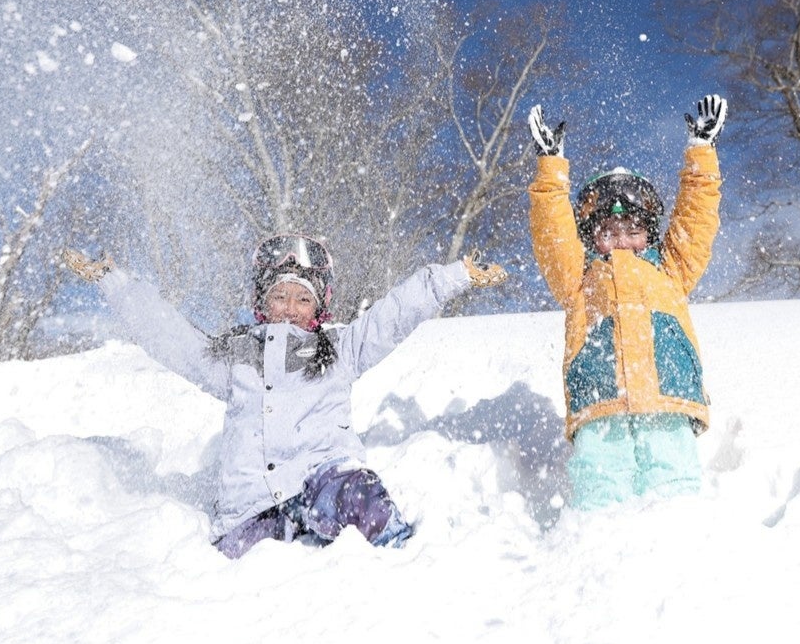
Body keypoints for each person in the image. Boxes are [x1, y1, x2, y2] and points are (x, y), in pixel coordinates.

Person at [63, 234, 507, 557]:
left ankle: (403, 565)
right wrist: (114, 282)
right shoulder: (233, 360)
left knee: (363, 495)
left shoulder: (340, 352)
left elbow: (393, 315)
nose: (290, 308)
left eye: (302, 299)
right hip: (249, 505)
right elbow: (171, 337)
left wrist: (455, 276)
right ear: (261, 303)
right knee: (249, 574)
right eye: (280, 296)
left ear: (320, 308)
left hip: (321, 480)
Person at [526, 95, 727, 510]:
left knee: (674, 481)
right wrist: (550, 167)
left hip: (667, 393)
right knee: (601, 484)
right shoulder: (580, 277)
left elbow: (695, 221)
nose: (622, 239)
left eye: (633, 228)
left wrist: (701, 152)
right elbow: (553, 237)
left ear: (650, 233)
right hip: (600, 400)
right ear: (591, 237)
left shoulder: (670, 268)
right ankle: (596, 547)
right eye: (609, 231)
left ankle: (681, 540)